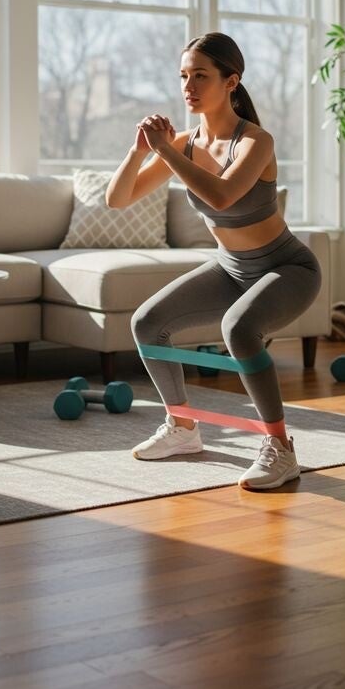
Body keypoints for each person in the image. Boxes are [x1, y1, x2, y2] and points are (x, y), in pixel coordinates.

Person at [106, 32, 321, 490]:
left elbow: (222, 196)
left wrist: (165, 151)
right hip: (231, 267)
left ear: (231, 81)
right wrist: (140, 149)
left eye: (201, 75)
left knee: (240, 330)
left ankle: (281, 450)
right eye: (184, 75)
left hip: (287, 268)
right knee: (147, 323)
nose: (189, 85)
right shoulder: (182, 143)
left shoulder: (255, 142)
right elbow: (118, 198)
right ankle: (183, 428)